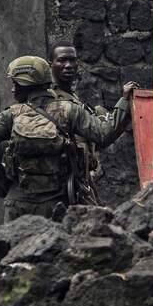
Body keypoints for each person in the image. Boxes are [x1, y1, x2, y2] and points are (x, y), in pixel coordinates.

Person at [0, 56, 137, 221]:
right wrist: (124, 100)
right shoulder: (70, 110)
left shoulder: (10, 115)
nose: (12, 89)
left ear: (25, 85)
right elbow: (104, 134)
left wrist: (2, 181)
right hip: (59, 202)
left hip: (18, 201)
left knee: (14, 246)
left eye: (15, 84)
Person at [48, 43, 108, 204]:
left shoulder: (73, 97)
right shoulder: (50, 100)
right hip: (61, 184)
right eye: (62, 60)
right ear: (50, 64)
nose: (68, 66)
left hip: (81, 179)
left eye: (72, 60)